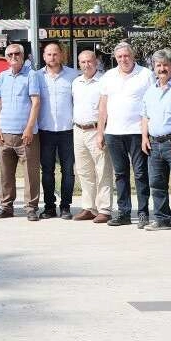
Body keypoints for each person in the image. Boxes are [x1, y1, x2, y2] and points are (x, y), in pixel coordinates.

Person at [96, 41, 152, 227]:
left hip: (137, 132)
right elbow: (102, 107)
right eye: (119, 57)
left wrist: (147, 131)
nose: (123, 59)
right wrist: (100, 132)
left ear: (133, 56)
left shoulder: (145, 74)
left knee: (140, 173)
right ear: (115, 58)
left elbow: (152, 104)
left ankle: (143, 213)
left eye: (126, 56)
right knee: (120, 174)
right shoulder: (108, 76)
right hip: (113, 132)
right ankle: (124, 212)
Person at [139, 51, 171, 234]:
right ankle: (162, 219)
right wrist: (144, 137)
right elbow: (145, 116)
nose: (162, 69)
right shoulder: (150, 91)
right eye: (158, 65)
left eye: (165, 65)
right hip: (154, 144)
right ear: (153, 68)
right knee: (156, 184)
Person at [0, 42, 43, 220]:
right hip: (4, 134)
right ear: (6, 58)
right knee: (5, 173)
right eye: (10, 55)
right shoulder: (2, 77)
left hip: (26, 135)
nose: (13, 57)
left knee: (30, 172)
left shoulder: (31, 75)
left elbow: (36, 103)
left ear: (23, 56)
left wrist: (29, 128)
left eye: (17, 54)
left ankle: (30, 208)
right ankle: (6, 207)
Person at [70, 49, 112, 223]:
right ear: (79, 64)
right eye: (83, 62)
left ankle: (104, 209)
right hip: (78, 130)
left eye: (90, 61)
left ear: (96, 62)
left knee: (102, 170)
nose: (86, 65)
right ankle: (89, 207)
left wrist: (101, 132)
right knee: (84, 171)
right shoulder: (76, 82)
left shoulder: (104, 81)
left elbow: (106, 109)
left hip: (97, 130)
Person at [36, 42, 76, 219]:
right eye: (48, 54)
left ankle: (66, 206)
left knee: (68, 170)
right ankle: (50, 206)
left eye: (55, 54)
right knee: (47, 171)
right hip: (45, 131)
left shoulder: (74, 76)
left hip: (68, 131)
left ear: (61, 55)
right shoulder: (37, 77)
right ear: (44, 56)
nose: (52, 57)